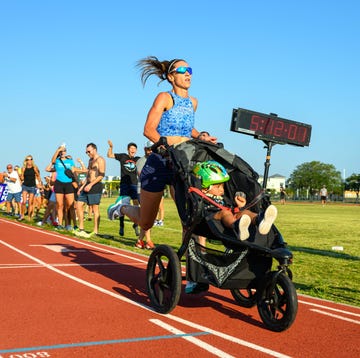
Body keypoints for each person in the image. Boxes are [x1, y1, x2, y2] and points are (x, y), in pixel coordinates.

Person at [107, 56, 216, 233]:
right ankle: (122, 208)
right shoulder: (164, 97)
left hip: (182, 162)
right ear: (171, 77)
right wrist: (164, 146)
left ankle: (190, 260)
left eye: (190, 71)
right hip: (160, 161)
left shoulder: (193, 102)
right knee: (146, 222)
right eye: (182, 71)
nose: (188, 74)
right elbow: (149, 129)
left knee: (188, 219)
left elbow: (187, 128)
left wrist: (201, 136)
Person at [193, 161, 278, 241]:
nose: (222, 190)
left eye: (223, 186)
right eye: (218, 187)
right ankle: (237, 226)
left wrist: (240, 206)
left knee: (245, 212)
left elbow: (231, 208)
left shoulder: (222, 197)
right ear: (204, 188)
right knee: (224, 213)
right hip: (211, 217)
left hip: (230, 215)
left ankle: (260, 219)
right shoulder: (202, 197)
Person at [107, 140, 140, 237]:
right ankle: (121, 225)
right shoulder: (123, 156)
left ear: (136, 150)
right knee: (123, 205)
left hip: (134, 184)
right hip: (124, 185)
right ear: (128, 149)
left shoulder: (138, 159)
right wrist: (111, 147)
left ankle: (136, 225)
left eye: (134, 148)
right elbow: (109, 155)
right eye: (131, 148)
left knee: (136, 204)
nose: (133, 150)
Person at [75, 143, 106, 238]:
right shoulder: (90, 160)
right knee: (79, 204)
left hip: (95, 186)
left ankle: (95, 231)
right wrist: (82, 186)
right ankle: (81, 228)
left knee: (95, 209)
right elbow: (89, 174)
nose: (87, 153)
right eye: (86, 152)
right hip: (87, 185)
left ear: (94, 150)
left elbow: (101, 175)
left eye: (89, 151)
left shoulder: (100, 160)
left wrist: (91, 184)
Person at [133, 140, 155, 249]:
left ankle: (139, 241)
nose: (150, 151)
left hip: (151, 191)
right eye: (148, 149)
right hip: (142, 191)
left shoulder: (155, 160)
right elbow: (143, 175)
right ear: (144, 149)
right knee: (147, 217)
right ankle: (149, 241)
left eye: (152, 148)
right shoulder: (141, 161)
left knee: (147, 217)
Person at [50, 144, 76, 230]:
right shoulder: (57, 161)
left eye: (64, 150)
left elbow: (73, 171)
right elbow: (52, 161)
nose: (63, 152)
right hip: (59, 184)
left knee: (71, 205)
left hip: (68, 184)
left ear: (66, 152)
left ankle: (74, 225)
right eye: (61, 151)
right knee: (60, 205)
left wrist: (77, 182)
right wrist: (58, 150)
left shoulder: (70, 161)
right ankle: (60, 224)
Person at [18, 155, 42, 221]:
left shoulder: (34, 167)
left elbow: (38, 175)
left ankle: (29, 217)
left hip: (32, 186)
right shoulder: (23, 168)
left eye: (31, 159)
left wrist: (39, 182)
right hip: (25, 186)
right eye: (28, 159)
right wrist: (21, 176)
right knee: (24, 202)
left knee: (30, 202)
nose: (29, 161)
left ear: (32, 160)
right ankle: (22, 215)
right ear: (26, 161)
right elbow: (22, 178)